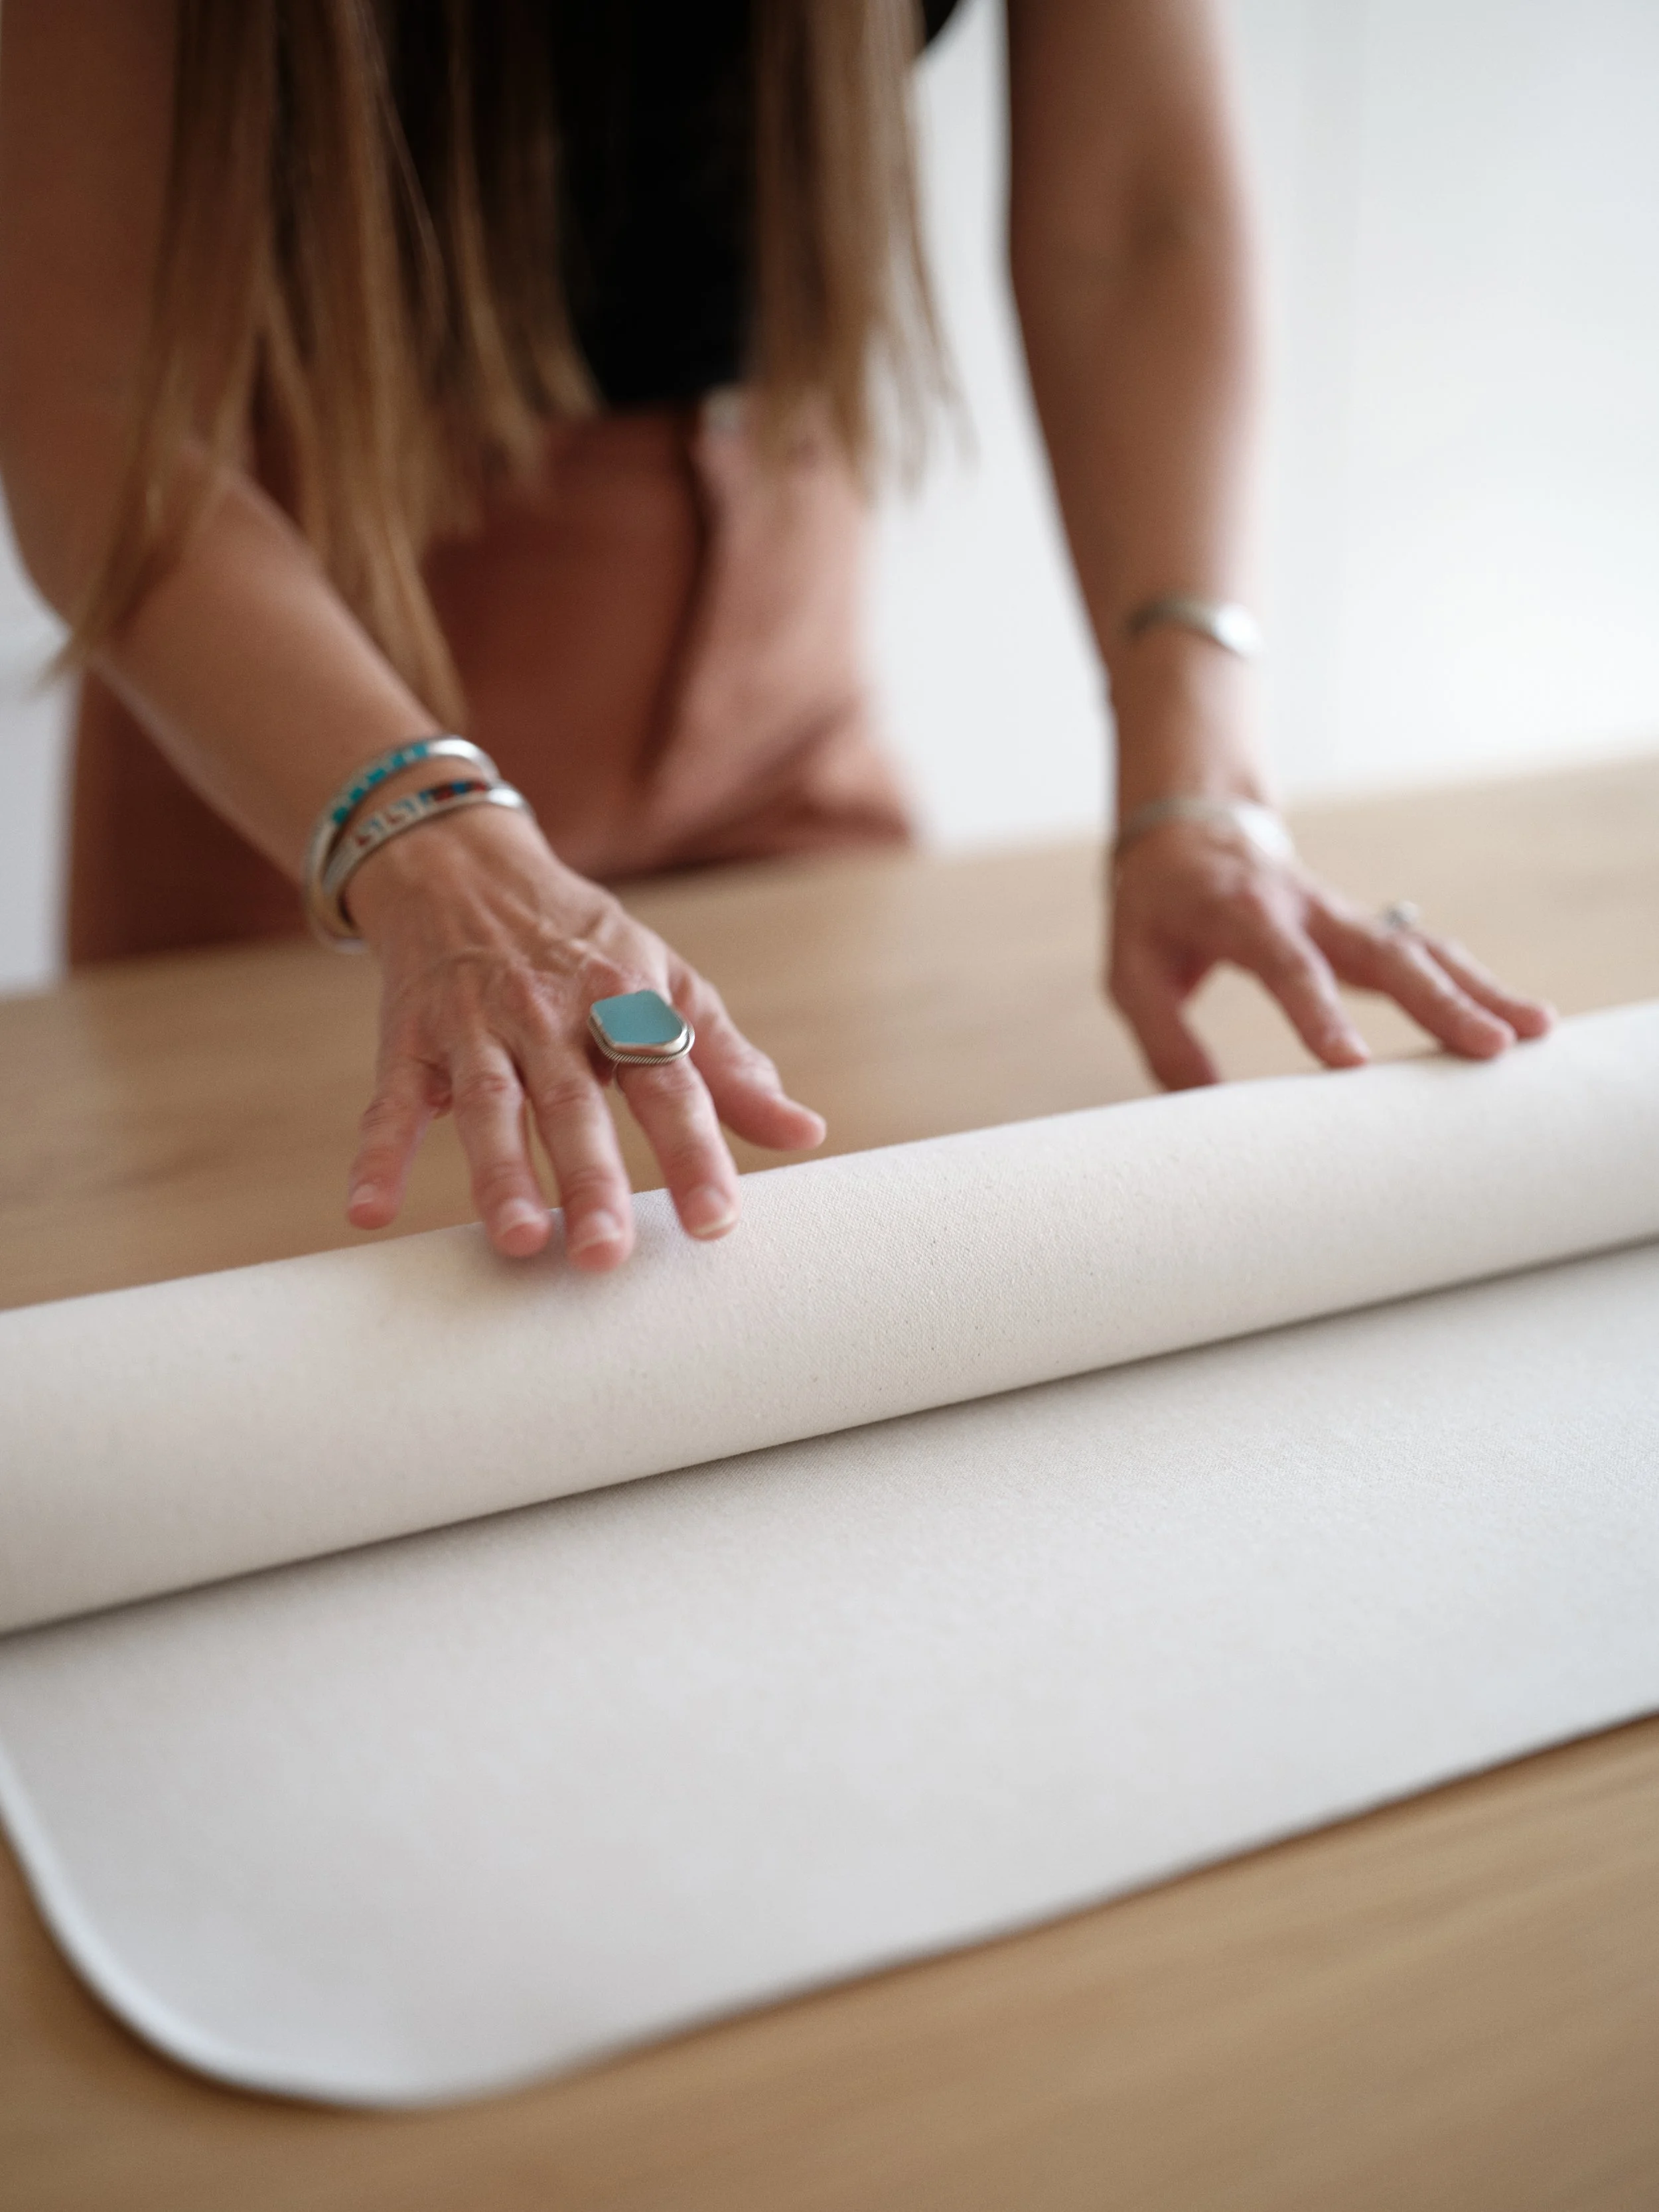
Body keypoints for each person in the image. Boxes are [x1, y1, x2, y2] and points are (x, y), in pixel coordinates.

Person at [0, 0, 1551, 1274]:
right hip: (301, 686)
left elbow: (1138, 224)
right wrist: (422, 834)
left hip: (775, 643)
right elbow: (92, 408)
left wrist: (1193, 784)